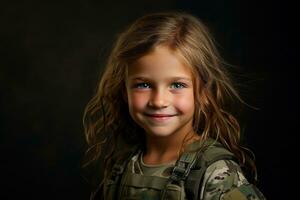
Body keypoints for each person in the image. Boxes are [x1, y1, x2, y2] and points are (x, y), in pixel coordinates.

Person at [82, 11, 266, 200]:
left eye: (177, 85)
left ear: (203, 92)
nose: (159, 101)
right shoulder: (122, 167)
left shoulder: (214, 171)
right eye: (143, 85)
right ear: (124, 91)